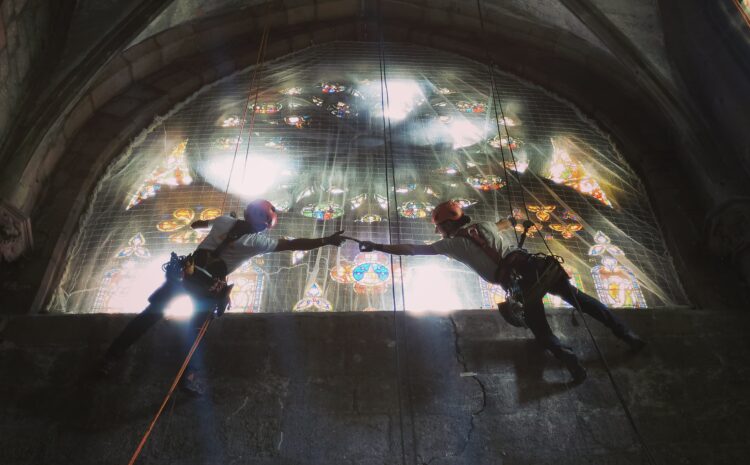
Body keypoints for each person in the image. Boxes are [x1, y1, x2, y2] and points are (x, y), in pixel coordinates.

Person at [357, 200, 645, 383]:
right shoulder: (483, 225)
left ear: (445, 225)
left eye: (440, 227)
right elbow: (503, 223)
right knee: (581, 300)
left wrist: (379, 246)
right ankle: (625, 333)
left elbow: (412, 249)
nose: (440, 233)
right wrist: (516, 218)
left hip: (519, 283)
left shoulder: (452, 244)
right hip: (537, 267)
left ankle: (566, 357)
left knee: (539, 327)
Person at [99, 199, 346, 393]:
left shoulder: (224, 221)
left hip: (185, 275)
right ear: (262, 223)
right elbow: (293, 244)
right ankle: (188, 377)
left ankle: (110, 358)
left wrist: (199, 224)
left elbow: (209, 222)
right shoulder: (256, 242)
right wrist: (326, 240)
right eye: (265, 223)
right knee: (195, 333)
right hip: (206, 287)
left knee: (149, 317)